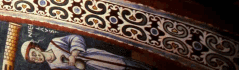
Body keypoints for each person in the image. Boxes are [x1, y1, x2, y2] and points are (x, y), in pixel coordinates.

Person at [21, 35, 153, 69]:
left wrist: (74, 54)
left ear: (37, 48)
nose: (36, 58)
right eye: (33, 60)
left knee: (122, 63)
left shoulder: (55, 43)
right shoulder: (54, 67)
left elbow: (75, 38)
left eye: (33, 54)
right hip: (91, 69)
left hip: (93, 56)